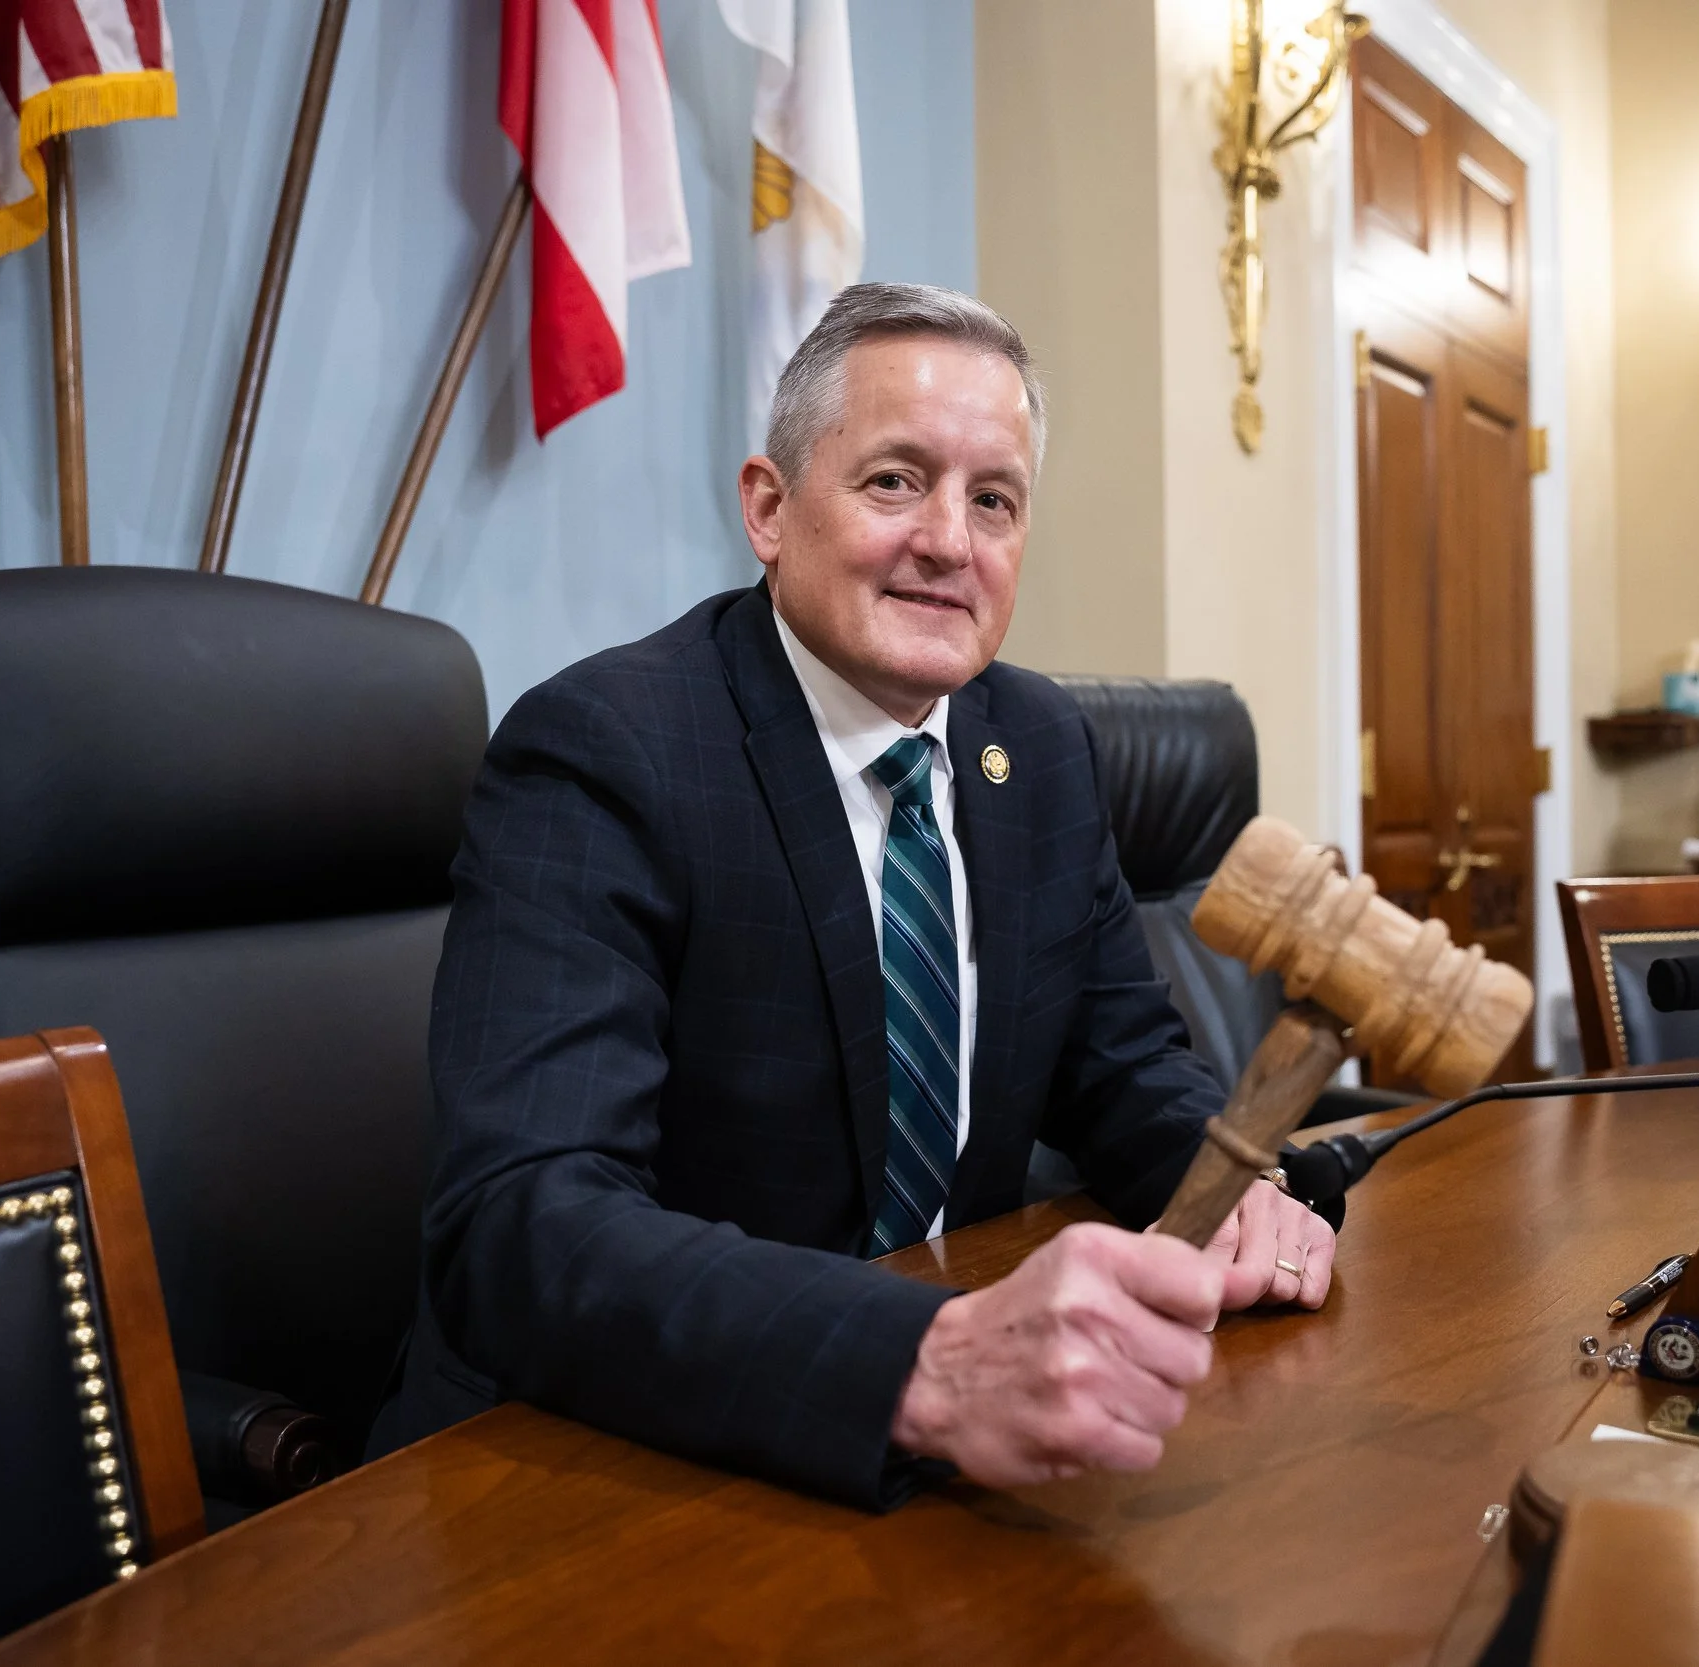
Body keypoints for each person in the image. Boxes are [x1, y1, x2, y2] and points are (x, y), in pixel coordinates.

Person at [372, 283, 1340, 1507]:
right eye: (895, 481)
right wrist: (920, 1362)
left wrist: (1232, 1192)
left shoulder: (1033, 740)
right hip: (595, 1456)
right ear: (769, 509)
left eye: (994, 499)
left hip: (944, 1451)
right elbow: (522, 1223)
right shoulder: (606, 749)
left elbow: (1123, 1063)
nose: (950, 538)